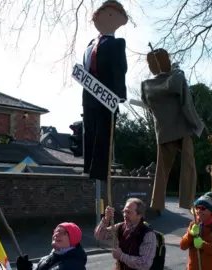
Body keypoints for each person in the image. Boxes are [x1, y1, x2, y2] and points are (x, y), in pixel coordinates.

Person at [141, 48, 204, 212]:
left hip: (162, 131)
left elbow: (147, 105)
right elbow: (187, 104)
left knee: (161, 171)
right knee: (188, 166)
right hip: (181, 128)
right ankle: (187, 201)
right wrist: (197, 125)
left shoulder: (146, 85)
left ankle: (157, 202)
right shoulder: (177, 78)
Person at [81, 0, 128, 180]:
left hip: (107, 95)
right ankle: (88, 167)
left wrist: (118, 96)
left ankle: (100, 171)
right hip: (89, 96)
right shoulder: (90, 44)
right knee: (90, 130)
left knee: (103, 133)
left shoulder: (117, 44)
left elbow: (120, 69)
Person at [94, 198, 156, 270]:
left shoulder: (148, 234)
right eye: (124, 211)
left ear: (139, 215)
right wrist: (106, 218)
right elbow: (99, 235)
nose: (125, 215)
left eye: (129, 212)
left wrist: (121, 256)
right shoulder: (120, 227)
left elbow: (145, 264)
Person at [180, 194, 212, 270]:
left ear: (210, 211)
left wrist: (203, 245)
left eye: (203, 208)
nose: (198, 211)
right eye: (197, 208)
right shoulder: (193, 224)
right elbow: (183, 246)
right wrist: (190, 234)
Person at [16, 222, 87, 270]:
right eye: (56, 231)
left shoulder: (74, 266)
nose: (56, 234)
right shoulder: (47, 258)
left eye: (62, 232)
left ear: (72, 239)